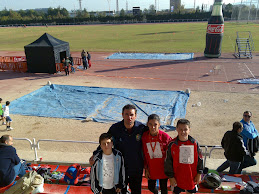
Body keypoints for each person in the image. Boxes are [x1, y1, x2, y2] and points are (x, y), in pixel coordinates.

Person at [89, 104, 147, 194]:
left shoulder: (141, 128)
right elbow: (105, 142)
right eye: (126, 114)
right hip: (120, 167)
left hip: (136, 167)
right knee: (120, 191)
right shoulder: (115, 128)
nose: (129, 117)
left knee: (136, 191)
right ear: (122, 115)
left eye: (131, 114)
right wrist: (95, 154)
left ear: (135, 116)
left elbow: (154, 136)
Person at [164, 119, 203, 194]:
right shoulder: (172, 144)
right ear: (176, 129)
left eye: (185, 129)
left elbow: (200, 159)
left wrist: (199, 174)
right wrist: (171, 177)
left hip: (191, 176)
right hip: (177, 177)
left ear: (189, 130)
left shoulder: (194, 143)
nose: (183, 132)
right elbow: (168, 161)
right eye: (180, 129)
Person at [142, 114, 172, 194]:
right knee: (151, 187)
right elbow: (145, 154)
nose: (153, 127)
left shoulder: (165, 137)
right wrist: (146, 168)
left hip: (163, 169)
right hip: (152, 168)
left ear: (159, 124)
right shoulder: (144, 137)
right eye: (150, 124)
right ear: (147, 124)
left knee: (164, 189)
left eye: (155, 124)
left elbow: (171, 153)